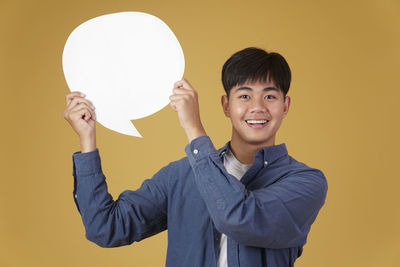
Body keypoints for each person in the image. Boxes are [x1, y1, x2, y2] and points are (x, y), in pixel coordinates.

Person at [63, 47, 328, 267]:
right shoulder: (183, 175)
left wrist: (194, 128)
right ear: (226, 105)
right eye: (244, 95)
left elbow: (238, 218)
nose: (257, 107)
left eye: (270, 96)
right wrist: (87, 141)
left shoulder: (304, 183)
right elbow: (105, 227)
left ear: (285, 106)